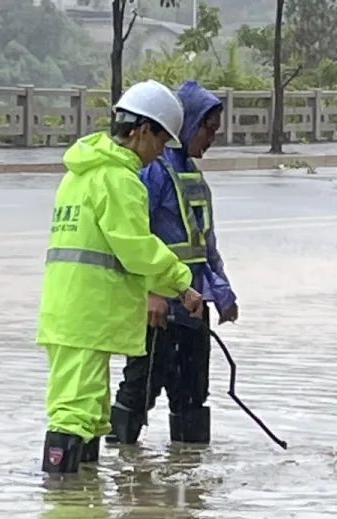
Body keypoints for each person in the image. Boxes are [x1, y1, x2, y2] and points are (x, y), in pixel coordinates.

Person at [37, 80, 203, 475]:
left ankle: (81, 511)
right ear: (144, 130)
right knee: (73, 414)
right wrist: (181, 282)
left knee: (90, 412)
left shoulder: (80, 174)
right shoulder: (119, 180)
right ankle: (62, 517)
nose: (162, 152)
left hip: (73, 313)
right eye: (162, 140)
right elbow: (136, 248)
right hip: (88, 315)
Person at [108, 80, 238, 446]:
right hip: (159, 310)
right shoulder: (153, 171)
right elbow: (133, 239)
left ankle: (187, 491)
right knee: (139, 393)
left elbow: (204, 245)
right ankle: (124, 472)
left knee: (193, 396)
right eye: (207, 128)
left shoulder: (193, 176)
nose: (211, 138)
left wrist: (223, 292)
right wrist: (150, 294)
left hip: (193, 306)